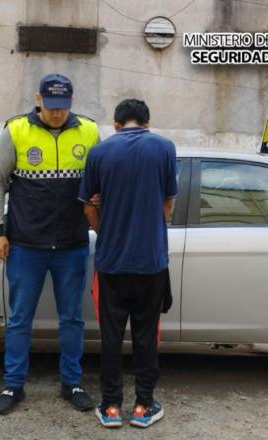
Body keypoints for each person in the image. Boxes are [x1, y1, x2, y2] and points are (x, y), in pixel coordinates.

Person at [0, 73, 100, 415]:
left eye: (62, 107)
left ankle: (72, 383)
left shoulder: (90, 132)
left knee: (72, 319)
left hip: (72, 245)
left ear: (71, 102)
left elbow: (100, 182)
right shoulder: (16, 130)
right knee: (20, 319)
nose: (57, 113)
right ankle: (13, 385)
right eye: (51, 106)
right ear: (38, 99)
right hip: (26, 245)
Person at [79, 99, 176, 429]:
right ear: (147, 122)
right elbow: (167, 205)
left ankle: (110, 407)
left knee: (111, 338)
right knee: (146, 337)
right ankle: (143, 407)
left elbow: (88, 207)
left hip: (111, 265)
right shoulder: (164, 148)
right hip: (151, 264)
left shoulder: (99, 153)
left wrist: (107, 231)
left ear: (116, 124)